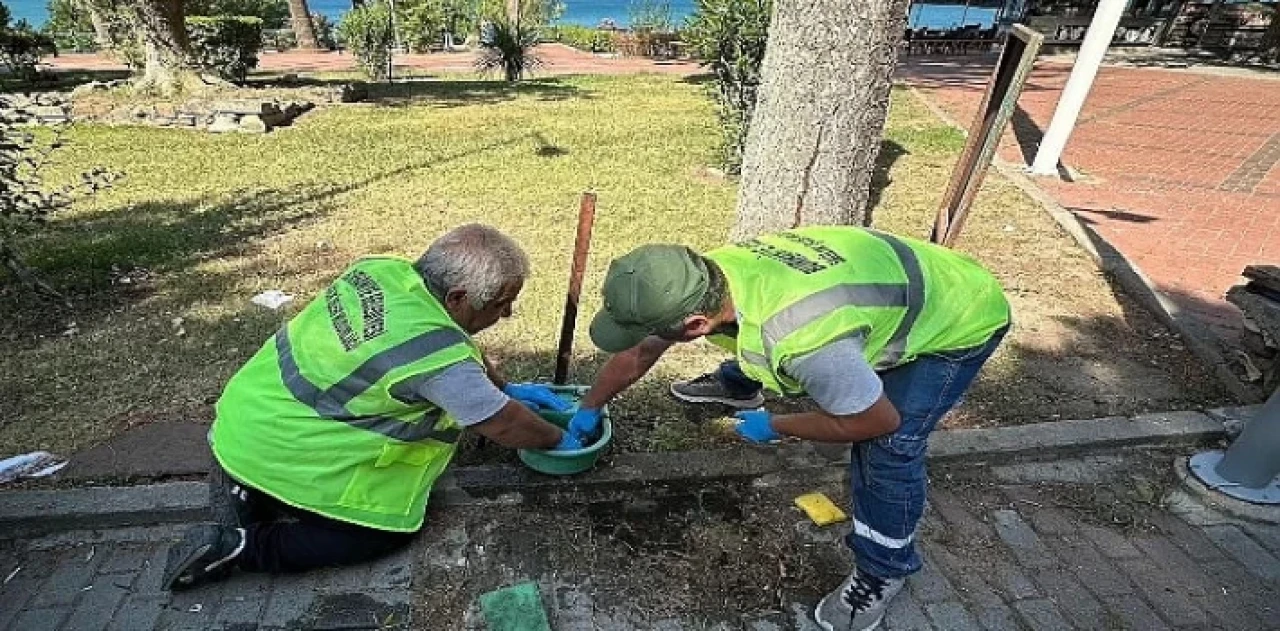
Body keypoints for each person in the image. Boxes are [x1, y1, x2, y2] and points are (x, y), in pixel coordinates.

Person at [565, 225, 1010, 631]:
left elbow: (873, 419)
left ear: (696, 324)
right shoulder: (704, 277)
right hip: (886, 285)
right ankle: (737, 384)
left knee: (890, 447)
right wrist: (590, 405)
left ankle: (883, 571)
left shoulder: (806, 340)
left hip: (958, 316)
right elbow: (643, 351)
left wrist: (776, 424)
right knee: (771, 343)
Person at [164, 224, 581, 590]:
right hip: (277, 450)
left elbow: (451, 348)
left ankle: (250, 490)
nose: (508, 314)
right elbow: (504, 425)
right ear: (457, 297)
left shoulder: (382, 273)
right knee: (382, 534)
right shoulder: (437, 360)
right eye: (501, 303)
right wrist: (561, 439)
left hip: (244, 418)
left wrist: (507, 387)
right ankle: (240, 548)